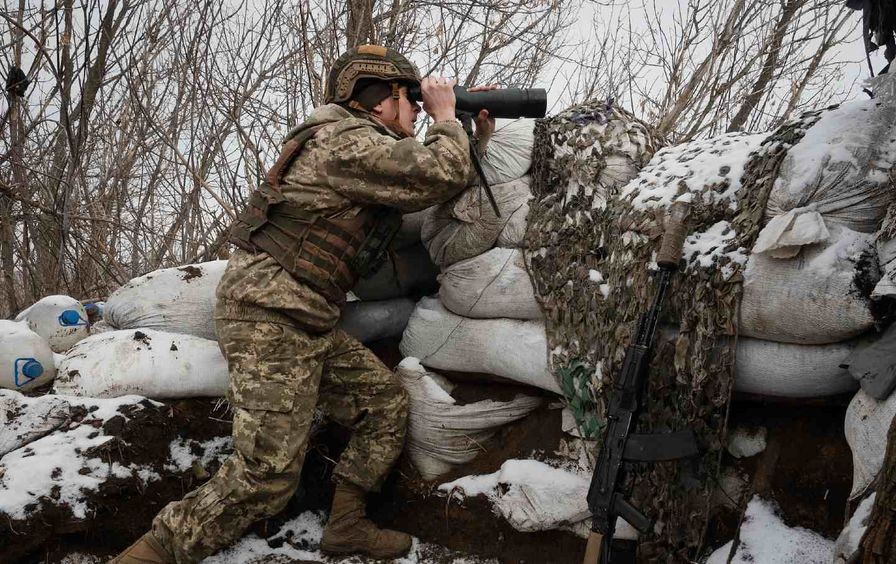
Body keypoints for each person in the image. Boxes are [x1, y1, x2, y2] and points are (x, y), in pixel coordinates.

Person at [111, 44, 495, 563]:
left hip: (305, 319)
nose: (417, 109)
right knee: (265, 476)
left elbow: (434, 183)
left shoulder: (360, 151)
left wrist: (474, 136)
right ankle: (148, 555)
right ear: (379, 100)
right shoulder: (342, 140)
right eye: (410, 98)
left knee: (383, 405)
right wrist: (446, 118)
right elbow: (434, 174)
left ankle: (347, 525)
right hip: (269, 315)